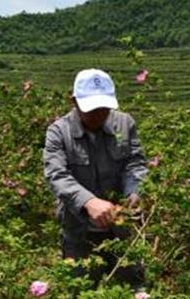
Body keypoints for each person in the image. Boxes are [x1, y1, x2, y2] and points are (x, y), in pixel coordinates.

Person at [43, 69, 148, 292]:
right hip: (78, 232)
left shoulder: (124, 124)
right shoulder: (58, 132)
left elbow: (135, 164)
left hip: (121, 230)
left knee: (132, 287)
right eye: (91, 109)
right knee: (81, 289)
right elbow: (56, 175)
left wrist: (134, 192)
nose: (99, 115)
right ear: (74, 101)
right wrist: (89, 202)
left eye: (104, 109)